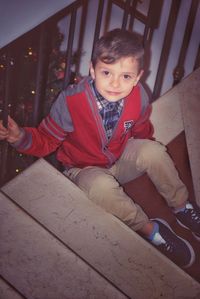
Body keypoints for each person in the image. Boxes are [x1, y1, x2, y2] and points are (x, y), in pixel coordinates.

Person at [0, 29, 200, 269]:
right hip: (83, 168)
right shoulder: (70, 101)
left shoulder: (139, 95)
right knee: (100, 188)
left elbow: (141, 126)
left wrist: (145, 148)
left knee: (154, 151)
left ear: (137, 78)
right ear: (93, 70)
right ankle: (151, 229)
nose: (115, 83)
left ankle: (181, 206)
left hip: (119, 156)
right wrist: (20, 137)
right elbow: (46, 140)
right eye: (107, 72)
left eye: (126, 76)